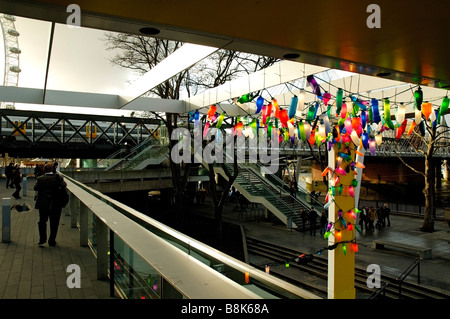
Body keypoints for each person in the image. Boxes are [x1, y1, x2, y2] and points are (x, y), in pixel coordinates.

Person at [34, 162, 67, 247]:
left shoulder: (40, 179)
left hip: (43, 203)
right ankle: (52, 240)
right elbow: (64, 185)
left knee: (42, 221)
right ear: (53, 169)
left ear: (44, 170)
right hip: (55, 203)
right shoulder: (58, 178)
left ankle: (42, 239)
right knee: (54, 223)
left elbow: (35, 188)